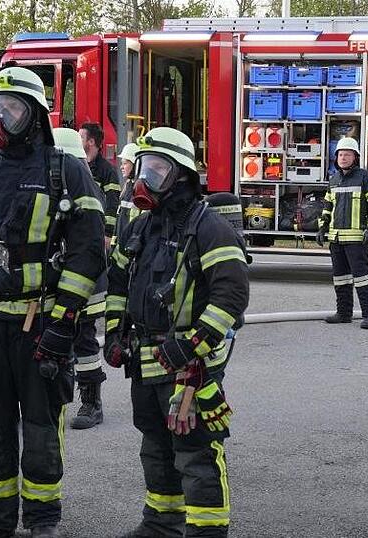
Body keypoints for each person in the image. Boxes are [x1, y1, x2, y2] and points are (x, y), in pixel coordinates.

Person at [0, 66, 105, 538]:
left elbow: (90, 252)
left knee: (43, 427)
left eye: (11, 110)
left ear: (35, 117)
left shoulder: (64, 170)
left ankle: (43, 518)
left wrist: (63, 322)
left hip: (38, 324)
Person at [104, 127, 249, 538]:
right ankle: (161, 524)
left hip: (191, 368)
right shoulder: (139, 228)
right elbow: (116, 282)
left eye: (156, 170)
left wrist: (192, 346)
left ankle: (206, 532)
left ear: (181, 175)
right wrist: (115, 334)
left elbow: (231, 298)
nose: (143, 181)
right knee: (155, 446)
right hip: (146, 362)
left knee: (196, 452)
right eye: (142, 170)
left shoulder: (210, 228)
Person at [68, 123, 122, 429]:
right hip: (54, 280)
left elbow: (105, 218)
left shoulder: (93, 181)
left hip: (84, 278)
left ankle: (91, 402)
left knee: (83, 337)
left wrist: (109, 237)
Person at [316, 137, 368, 329]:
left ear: (355, 157)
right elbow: (327, 207)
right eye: (341, 154)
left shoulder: (365, 177)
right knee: (340, 278)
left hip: (356, 239)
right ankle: (344, 313)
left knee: (362, 278)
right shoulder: (334, 180)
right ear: (336, 157)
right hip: (336, 239)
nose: (343, 158)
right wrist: (322, 227)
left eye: (348, 154)